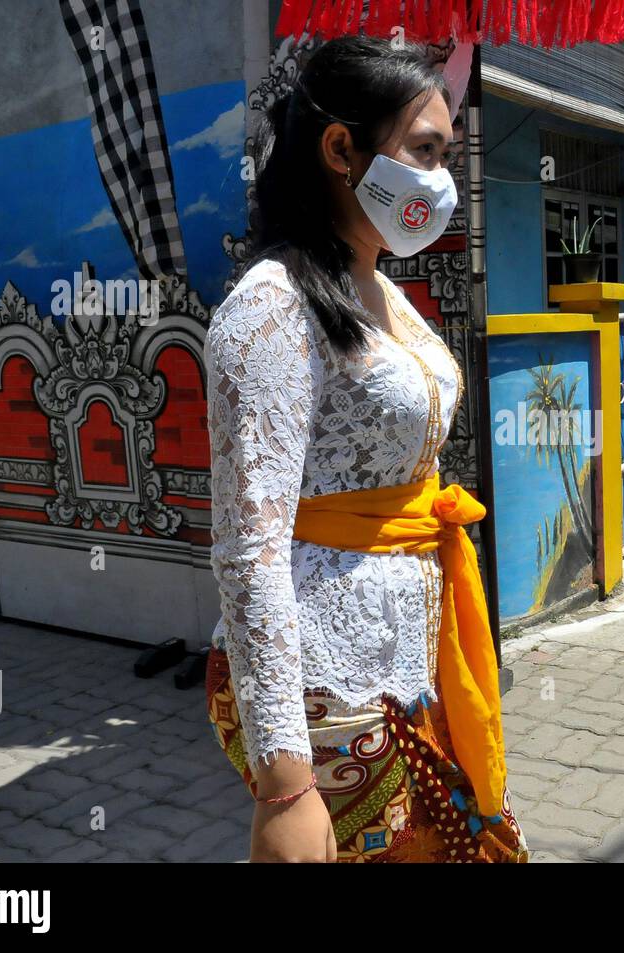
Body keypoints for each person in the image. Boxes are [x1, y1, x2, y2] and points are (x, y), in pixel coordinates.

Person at [202, 36, 526, 863]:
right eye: (424, 150)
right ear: (340, 148)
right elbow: (248, 551)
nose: (440, 178)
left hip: (411, 660)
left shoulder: (379, 288)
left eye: (446, 155)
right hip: (328, 685)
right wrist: (285, 784)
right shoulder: (269, 311)